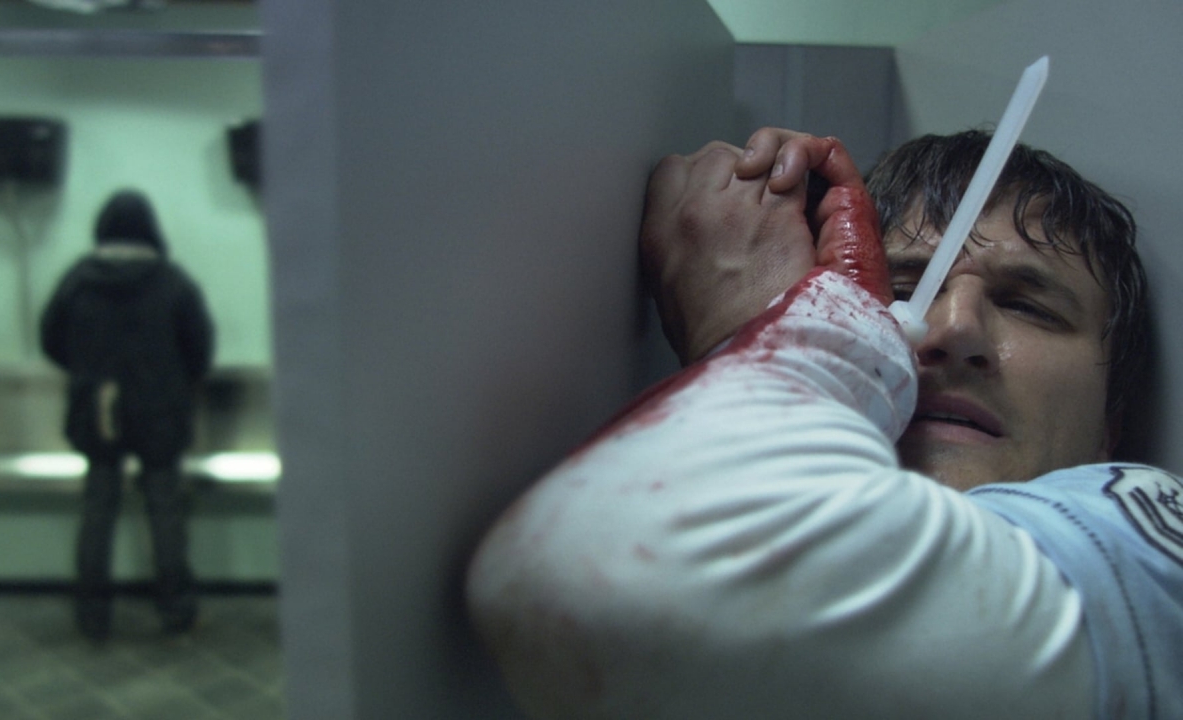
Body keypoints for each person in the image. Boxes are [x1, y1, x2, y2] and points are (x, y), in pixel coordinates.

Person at [466, 128, 1181, 718]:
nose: (952, 328)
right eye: (903, 288)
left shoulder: (1147, 555)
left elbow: (579, 574)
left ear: (1110, 424)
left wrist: (783, 327)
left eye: (1029, 306)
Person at [41, 189, 215, 641]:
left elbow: (51, 339)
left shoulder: (78, 280)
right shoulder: (172, 281)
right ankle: (176, 610)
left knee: (98, 506)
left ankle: (92, 615)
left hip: (98, 407)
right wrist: (173, 380)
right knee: (164, 507)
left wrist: (87, 370)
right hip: (160, 409)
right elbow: (199, 349)